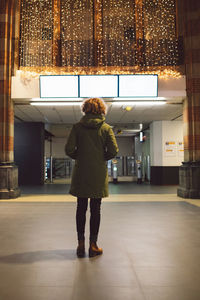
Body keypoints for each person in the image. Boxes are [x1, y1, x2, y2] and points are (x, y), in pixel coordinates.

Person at [65, 98, 119, 258]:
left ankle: (80, 244)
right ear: (102, 109)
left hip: (81, 172)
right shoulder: (106, 128)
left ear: (85, 109)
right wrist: (101, 157)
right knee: (96, 209)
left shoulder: (77, 128)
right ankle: (93, 245)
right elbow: (114, 150)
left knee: (80, 208)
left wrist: (80, 156)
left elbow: (68, 149)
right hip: (98, 173)